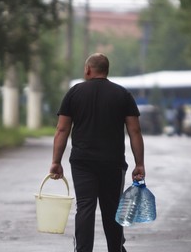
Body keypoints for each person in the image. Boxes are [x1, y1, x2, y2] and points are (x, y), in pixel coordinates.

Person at [50, 53, 146, 252]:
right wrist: (139, 163)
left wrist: (56, 161)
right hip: (112, 162)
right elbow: (134, 130)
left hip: (82, 162)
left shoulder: (74, 92)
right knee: (112, 210)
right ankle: (115, 249)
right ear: (106, 70)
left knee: (85, 207)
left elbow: (62, 130)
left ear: (87, 70)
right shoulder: (122, 94)